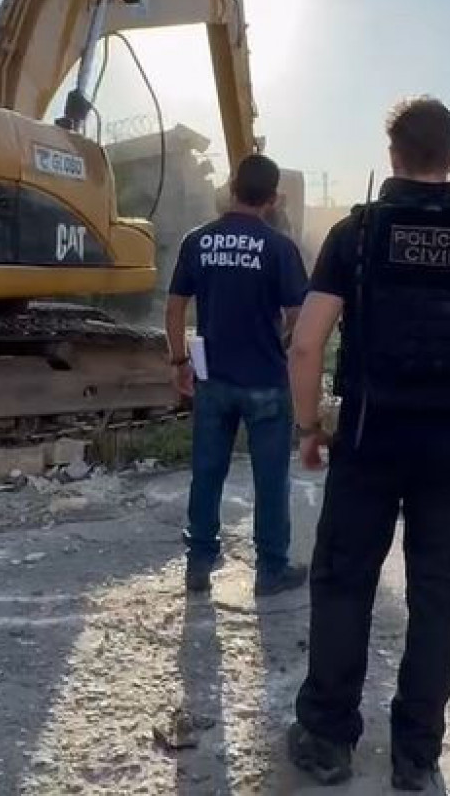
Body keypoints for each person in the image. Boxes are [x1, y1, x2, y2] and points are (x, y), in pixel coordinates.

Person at [283, 97, 450, 791]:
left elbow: (307, 343)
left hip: (368, 439)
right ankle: (416, 756)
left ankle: (327, 738)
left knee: (344, 583)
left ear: (393, 156)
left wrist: (310, 427)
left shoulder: (358, 232)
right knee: (438, 597)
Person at [165, 153, 311, 597]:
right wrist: (279, 338)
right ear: (273, 198)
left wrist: (179, 362)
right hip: (266, 379)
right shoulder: (281, 248)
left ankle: (199, 565)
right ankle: (270, 571)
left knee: (207, 472)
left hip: (213, 380)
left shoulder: (198, 241)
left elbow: (175, 307)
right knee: (271, 479)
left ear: (230, 187)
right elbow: (298, 316)